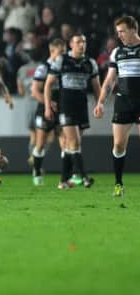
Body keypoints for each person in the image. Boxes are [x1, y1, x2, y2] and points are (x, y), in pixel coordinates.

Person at [44, 34, 100, 189]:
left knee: (71, 145)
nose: (82, 44)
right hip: (66, 106)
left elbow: (96, 86)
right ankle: (85, 177)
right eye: (78, 42)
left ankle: (63, 181)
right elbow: (48, 85)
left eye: (84, 41)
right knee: (74, 142)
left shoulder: (90, 63)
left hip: (81, 106)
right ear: (71, 44)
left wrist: (99, 103)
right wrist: (47, 107)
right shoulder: (62, 60)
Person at [94, 16, 140, 197]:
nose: (119, 35)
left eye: (122, 31)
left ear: (133, 29)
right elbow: (110, 80)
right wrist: (100, 102)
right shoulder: (117, 52)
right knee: (119, 144)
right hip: (124, 101)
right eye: (118, 32)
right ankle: (118, 183)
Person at [30, 38, 66, 186]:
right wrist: (48, 103)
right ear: (52, 51)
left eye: (65, 51)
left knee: (65, 142)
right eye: (61, 52)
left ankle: (67, 176)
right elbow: (34, 91)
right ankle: (37, 171)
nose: (64, 54)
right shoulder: (43, 68)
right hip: (44, 109)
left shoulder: (64, 66)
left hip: (61, 108)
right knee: (40, 143)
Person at [16, 49, 42, 170]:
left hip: (28, 104)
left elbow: (20, 91)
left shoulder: (22, 70)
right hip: (41, 103)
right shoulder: (43, 68)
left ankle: (33, 157)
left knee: (32, 134)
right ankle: (37, 159)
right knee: (46, 134)